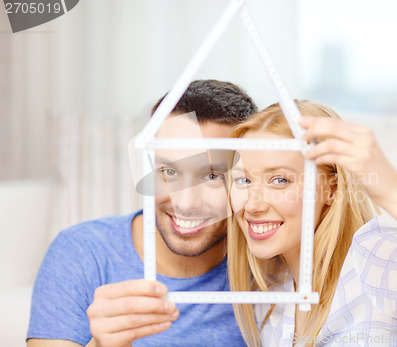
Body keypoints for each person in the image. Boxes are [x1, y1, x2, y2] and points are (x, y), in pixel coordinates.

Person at [228, 100, 397, 346]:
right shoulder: (269, 296)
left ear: (331, 189)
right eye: (244, 180)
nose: (252, 205)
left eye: (280, 180)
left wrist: (394, 190)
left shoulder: (376, 258)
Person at [27, 79, 258, 347]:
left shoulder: (268, 264)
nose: (186, 202)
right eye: (169, 172)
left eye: (212, 175)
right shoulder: (80, 252)